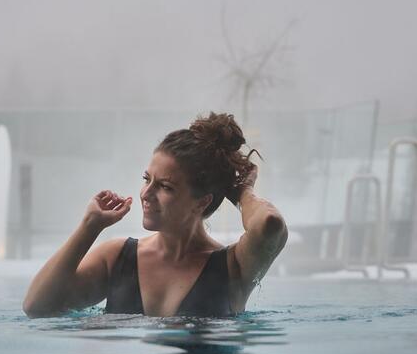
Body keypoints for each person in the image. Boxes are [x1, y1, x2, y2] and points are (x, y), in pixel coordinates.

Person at [22, 112, 287, 318]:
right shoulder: (118, 259)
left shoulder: (233, 267)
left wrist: (244, 192)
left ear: (201, 202)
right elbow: (37, 306)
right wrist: (89, 228)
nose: (146, 194)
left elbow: (270, 224)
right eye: (147, 179)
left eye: (165, 187)